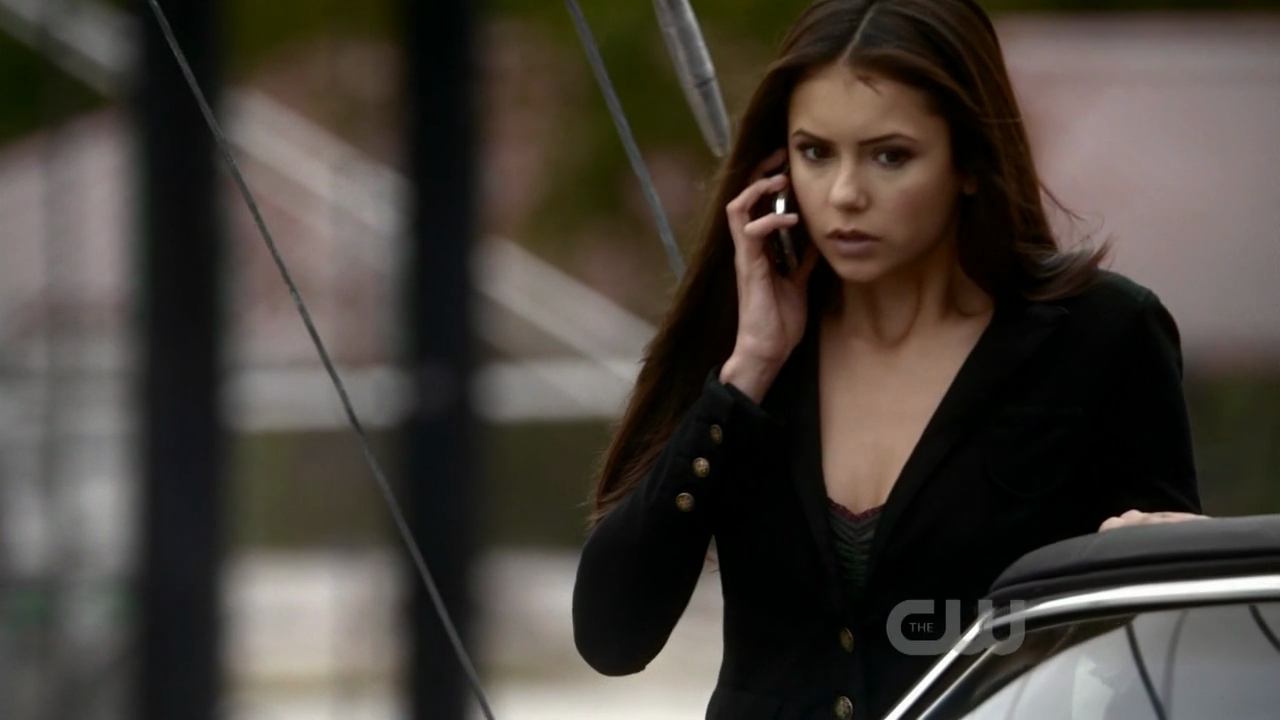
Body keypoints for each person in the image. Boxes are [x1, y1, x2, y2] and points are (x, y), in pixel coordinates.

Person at [571, 1, 1206, 718]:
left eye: (890, 156)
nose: (845, 195)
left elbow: (1169, 644)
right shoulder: (746, 340)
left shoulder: (1103, 337)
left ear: (969, 162)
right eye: (816, 153)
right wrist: (745, 376)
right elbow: (610, 637)